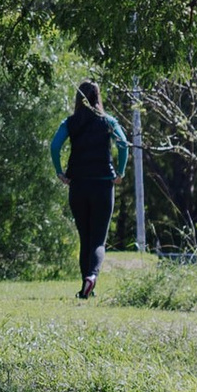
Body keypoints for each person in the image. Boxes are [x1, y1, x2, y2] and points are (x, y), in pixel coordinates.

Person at [48, 79, 132, 300]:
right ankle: (92, 278)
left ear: (78, 98)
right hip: (103, 184)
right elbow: (123, 144)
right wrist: (120, 172)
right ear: (98, 97)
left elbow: (55, 146)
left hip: (78, 184)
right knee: (98, 240)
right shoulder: (108, 121)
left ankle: (85, 286)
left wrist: (60, 172)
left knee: (85, 237)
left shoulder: (70, 122)